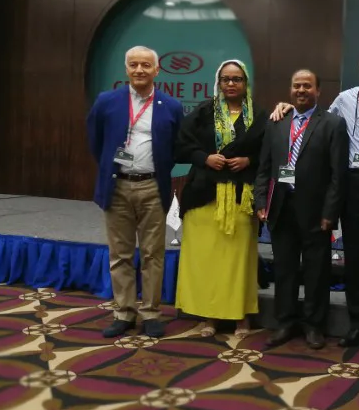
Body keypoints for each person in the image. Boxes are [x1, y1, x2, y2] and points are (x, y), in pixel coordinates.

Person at [270, 44, 359, 352]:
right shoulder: (343, 100)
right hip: (352, 185)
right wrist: (287, 107)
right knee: (356, 258)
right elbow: (313, 122)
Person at [86, 45, 183, 338]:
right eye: (134, 64)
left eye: (145, 65)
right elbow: (95, 141)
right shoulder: (107, 101)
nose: (139, 70)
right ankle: (124, 312)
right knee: (120, 254)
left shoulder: (171, 106)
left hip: (153, 186)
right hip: (117, 186)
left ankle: (151, 313)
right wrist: (111, 166)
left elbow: (176, 147)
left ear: (157, 70)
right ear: (126, 68)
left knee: (153, 254)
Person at [255, 70, 348, 350]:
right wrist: (261, 202)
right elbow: (264, 167)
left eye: (307, 86)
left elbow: (338, 175)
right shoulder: (277, 122)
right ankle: (285, 322)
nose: (301, 90)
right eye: (297, 85)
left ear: (318, 91)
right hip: (281, 208)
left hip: (316, 212)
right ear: (290, 90)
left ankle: (314, 325)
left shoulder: (332, 124)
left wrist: (330, 213)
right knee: (284, 269)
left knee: (316, 272)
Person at [174, 60, 266, 338]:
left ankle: (241, 317)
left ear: (246, 83)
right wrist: (205, 158)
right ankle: (209, 317)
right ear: (219, 82)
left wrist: (249, 160)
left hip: (240, 199)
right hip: (204, 198)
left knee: (238, 262)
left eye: (237, 79)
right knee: (208, 260)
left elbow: (271, 153)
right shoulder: (204, 112)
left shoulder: (260, 115)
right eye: (226, 79)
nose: (231, 84)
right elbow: (181, 146)